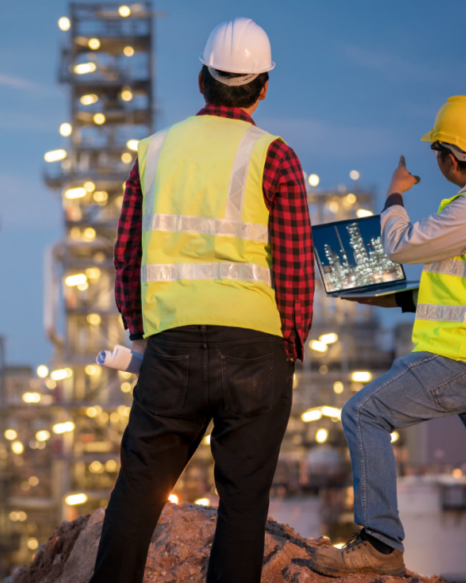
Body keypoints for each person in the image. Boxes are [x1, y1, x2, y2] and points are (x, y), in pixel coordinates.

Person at [88, 17, 315, 583]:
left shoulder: (154, 152)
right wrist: (291, 341)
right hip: (257, 350)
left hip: (173, 346)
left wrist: (142, 331)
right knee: (242, 502)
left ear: (201, 80)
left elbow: (127, 254)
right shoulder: (276, 155)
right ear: (264, 86)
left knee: (140, 486)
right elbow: (292, 265)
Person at [310, 95, 466, 582]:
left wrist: (395, 195)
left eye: (436, 155)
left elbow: (399, 243)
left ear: (450, 159)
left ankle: (380, 542)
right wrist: (391, 300)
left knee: (364, 412)